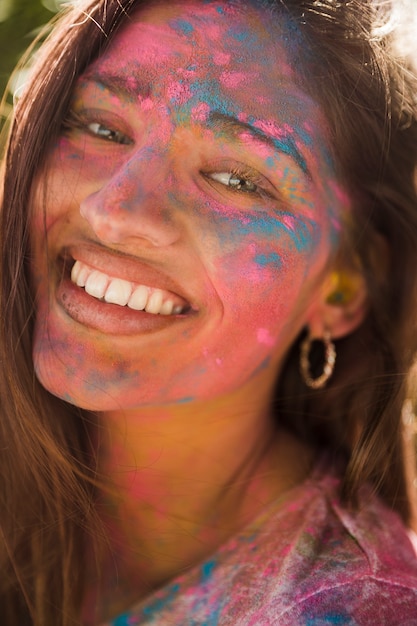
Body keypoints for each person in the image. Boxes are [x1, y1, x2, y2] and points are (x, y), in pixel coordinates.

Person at [1, 0, 417, 624]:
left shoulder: (357, 609)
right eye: (102, 127)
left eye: (237, 179)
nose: (116, 211)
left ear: (342, 288)